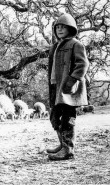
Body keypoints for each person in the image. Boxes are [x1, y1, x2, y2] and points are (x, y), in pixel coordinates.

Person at [47, 13, 89, 161]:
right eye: (57, 27)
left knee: (67, 118)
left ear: (70, 28)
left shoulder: (76, 44)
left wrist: (72, 80)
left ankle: (68, 149)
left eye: (63, 27)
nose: (59, 29)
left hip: (69, 90)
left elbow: (82, 64)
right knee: (54, 117)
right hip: (56, 86)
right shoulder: (55, 46)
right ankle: (62, 144)